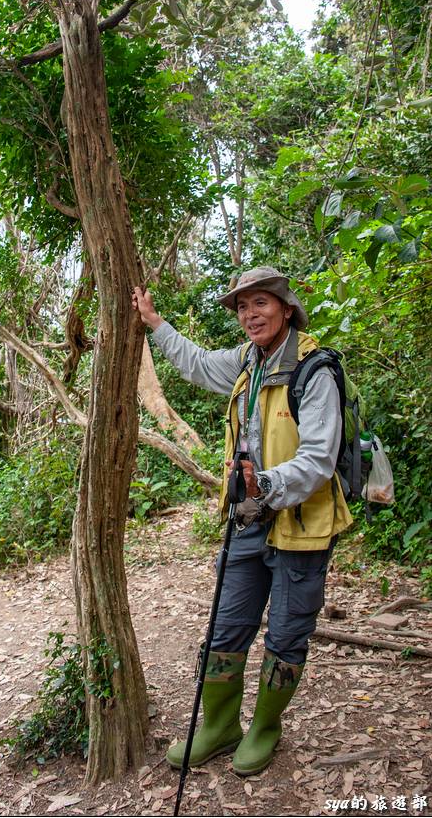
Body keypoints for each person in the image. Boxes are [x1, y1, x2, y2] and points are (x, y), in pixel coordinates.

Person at [132, 267, 353, 777]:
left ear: (285, 307)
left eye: (261, 303)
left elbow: (320, 457)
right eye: (242, 307)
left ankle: (264, 728)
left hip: (302, 522)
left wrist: (266, 482)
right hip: (248, 520)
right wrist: (154, 323)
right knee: (227, 625)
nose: (250, 315)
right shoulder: (246, 362)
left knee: (285, 634)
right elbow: (198, 364)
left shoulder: (314, 370)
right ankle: (219, 724)